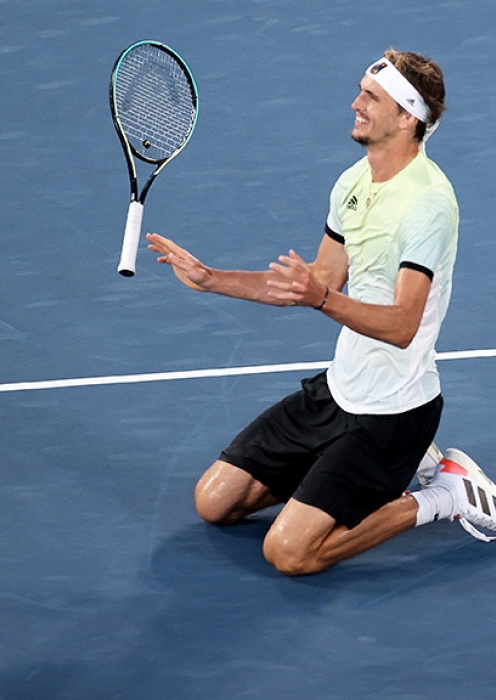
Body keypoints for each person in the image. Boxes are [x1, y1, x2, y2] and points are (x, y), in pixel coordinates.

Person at [146, 49, 496, 575]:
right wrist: (210, 280)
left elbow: (402, 325)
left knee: (289, 553)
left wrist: (323, 299)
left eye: (370, 98)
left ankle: (445, 493)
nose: (355, 104)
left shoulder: (428, 204)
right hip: (339, 392)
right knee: (214, 502)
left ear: (408, 116)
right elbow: (319, 279)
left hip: (394, 415)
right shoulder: (353, 183)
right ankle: (392, 468)